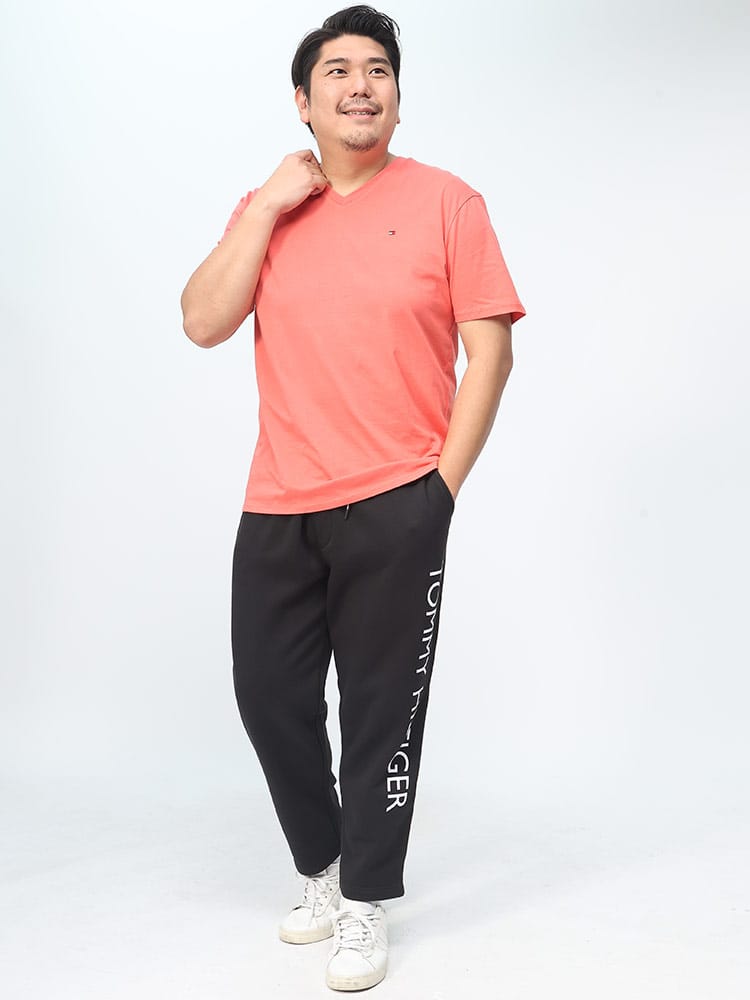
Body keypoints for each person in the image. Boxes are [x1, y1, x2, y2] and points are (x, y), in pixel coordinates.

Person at [180, 4, 526, 992]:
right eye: (337, 70)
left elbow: (491, 352)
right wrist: (263, 207)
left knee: (382, 715)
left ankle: (366, 901)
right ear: (304, 101)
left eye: (378, 69)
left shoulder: (449, 203)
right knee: (268, 695)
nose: (360, 84)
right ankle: (323, 867)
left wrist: (438, 492)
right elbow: (202, 320)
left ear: (398, 100)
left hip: (397, 498)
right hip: (279, 499)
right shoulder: (269, 208)